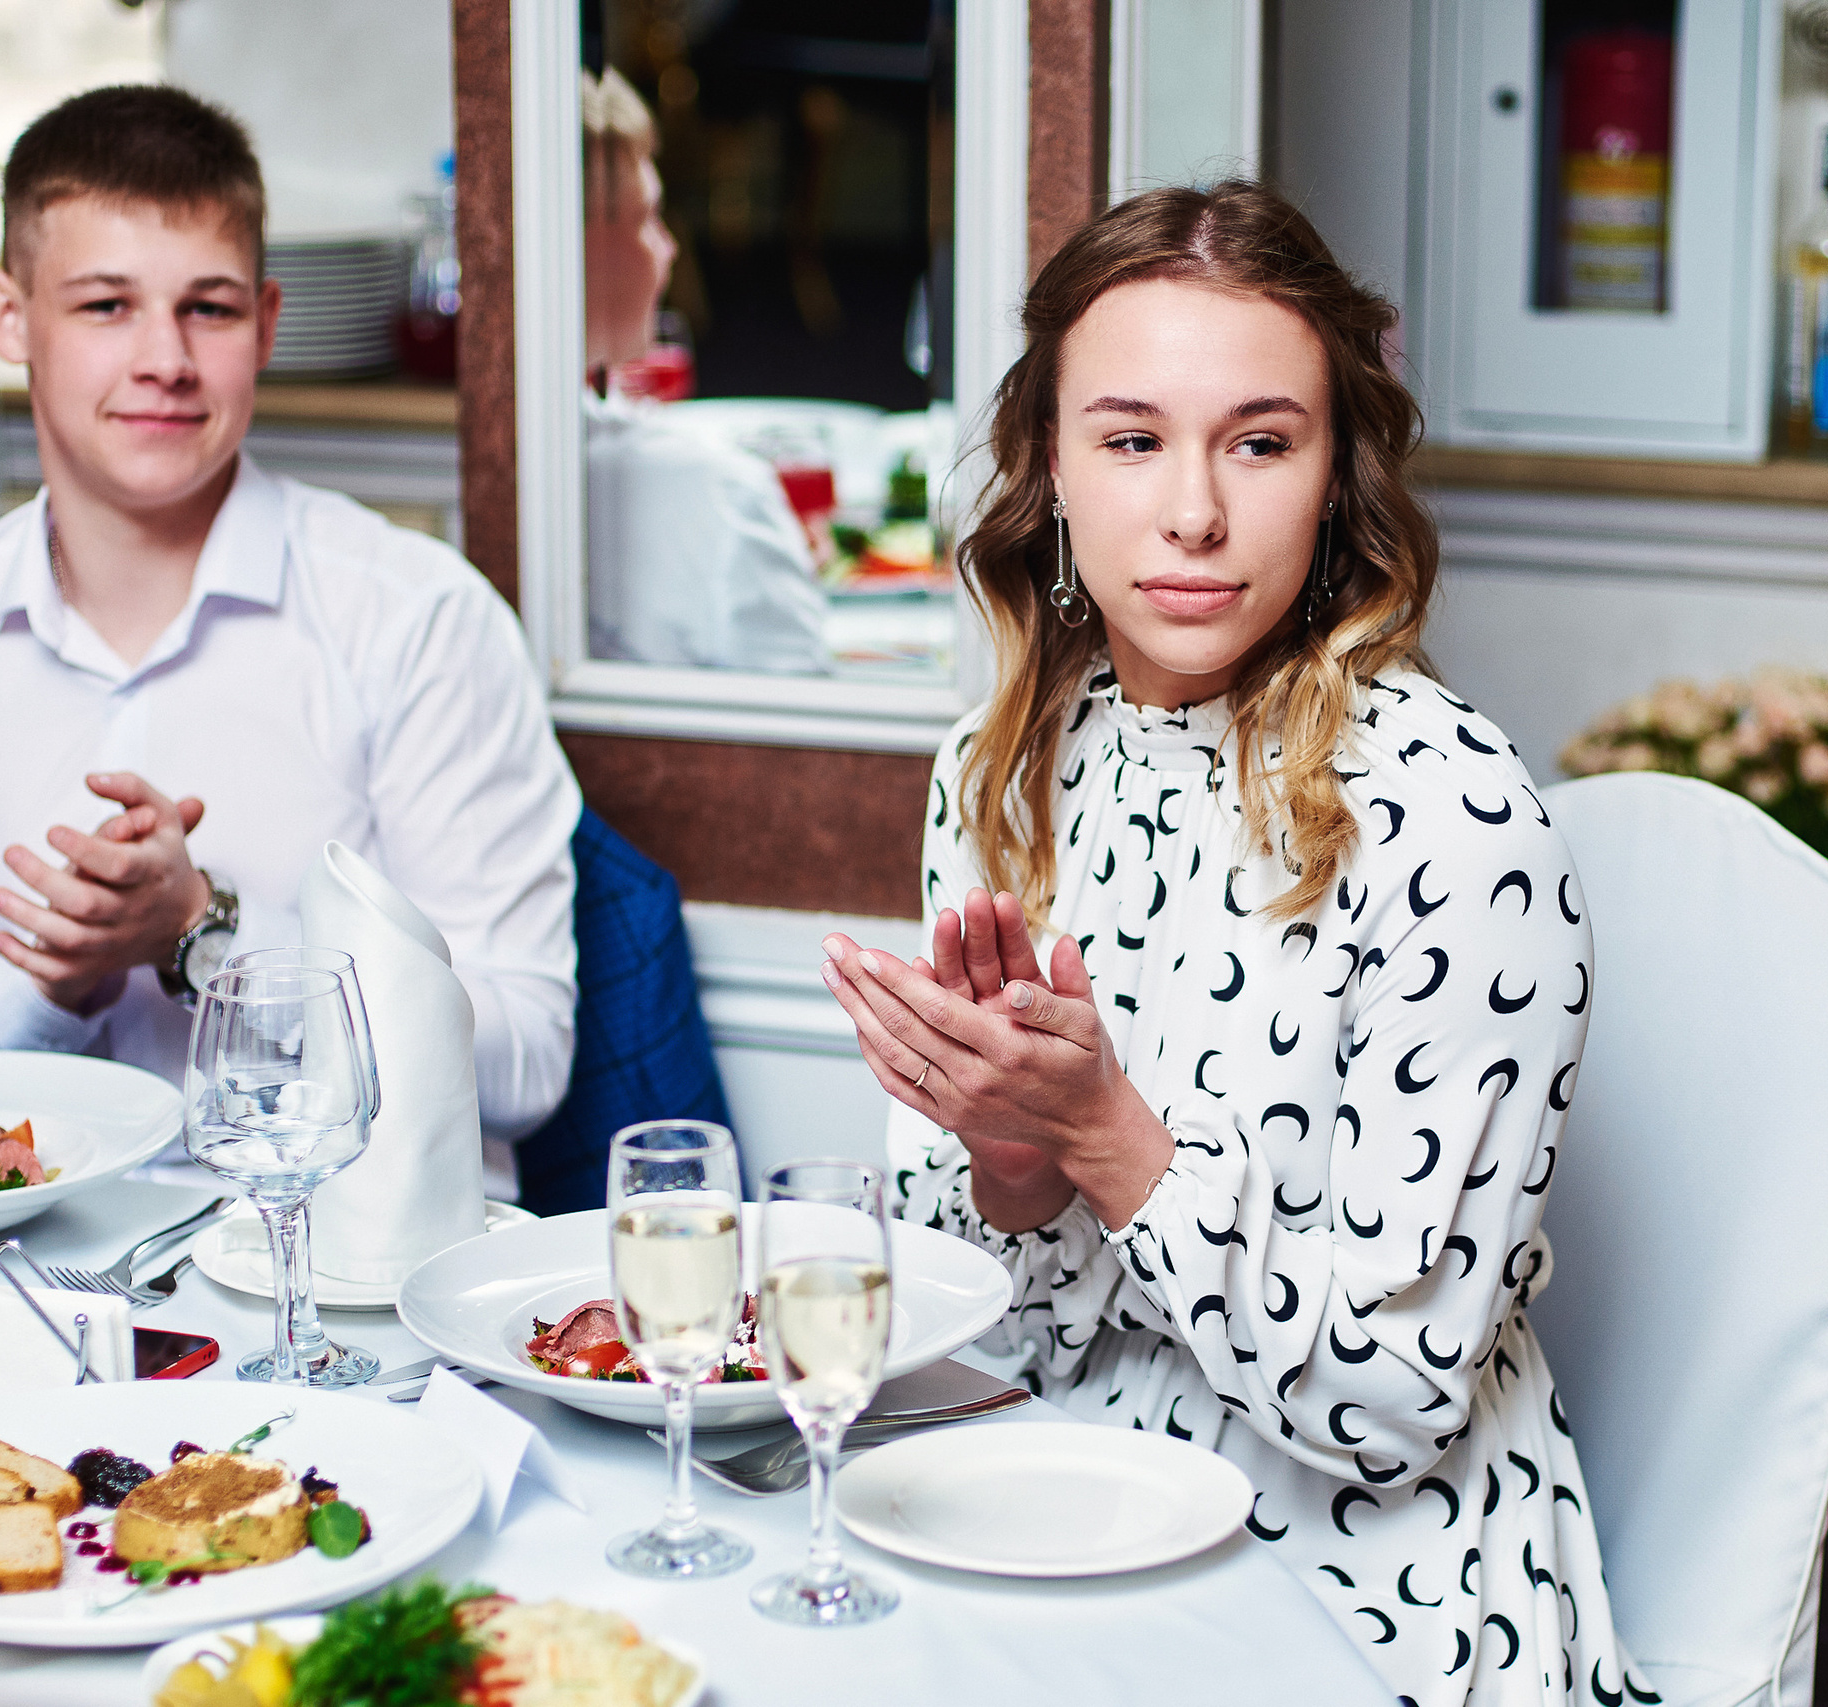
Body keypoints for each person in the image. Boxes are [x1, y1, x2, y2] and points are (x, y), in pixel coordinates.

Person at [819, 184, 1645, 1703]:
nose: (1193, 511)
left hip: (1363, 1586)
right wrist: (1013, 1161)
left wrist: (1112, 1141)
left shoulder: (1455, 822)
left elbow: (1390, 1409)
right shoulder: (997, 771)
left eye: (1260, 443)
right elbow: (994, 1330)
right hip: (1053, 1499)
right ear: (1051, 467)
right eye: (1132, 440)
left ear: (1333, 478)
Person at [0, 86, 581, 1193]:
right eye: (105, 305)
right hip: (21, 1277)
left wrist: (205, 930)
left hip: (340, 1274)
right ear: (8, 316)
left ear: (266, 324)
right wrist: (53, 983)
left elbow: (525, 1061)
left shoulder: (421, 618)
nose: (165, 359)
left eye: (209, 309)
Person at [580, 68, 831, 676]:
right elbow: (804, 704)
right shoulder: (721, 498)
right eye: (647, 218)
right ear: (574, 243)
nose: (668, 249)